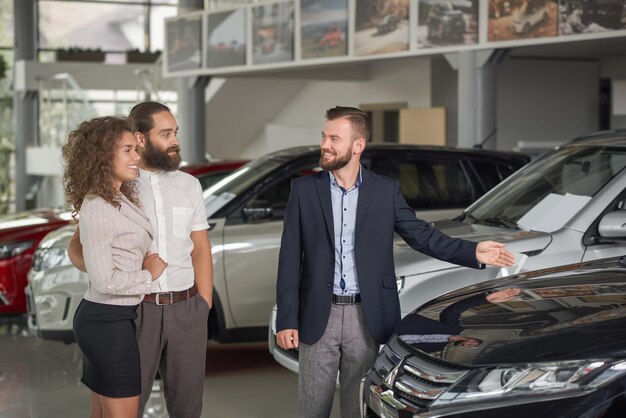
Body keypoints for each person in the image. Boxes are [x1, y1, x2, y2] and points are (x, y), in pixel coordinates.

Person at [275, 106, 516, 418]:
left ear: (357, 145)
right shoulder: (305, 190)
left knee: (357, 406)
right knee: (312, 409)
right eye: (324, 136)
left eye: (334, 138)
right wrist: (287, 318)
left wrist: (473, 252)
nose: (325, 144)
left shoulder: (384, 190)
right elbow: (290, 256)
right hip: (318, 313)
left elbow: (422, 236)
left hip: (368, 314)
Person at [68, 102, 213, 418]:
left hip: (187, 308)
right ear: (141, 138)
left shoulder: (190, 186)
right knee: (128, 403)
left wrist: (204, 303)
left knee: (188, 408)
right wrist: (111, 279)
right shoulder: (117, 186)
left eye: (175, 133)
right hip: (135, 309)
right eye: (166, 134)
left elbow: (201, 247)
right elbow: (77, 250)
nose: (174, 141)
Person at [63, 116, 167, 418]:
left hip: (114, 318)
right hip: (106, 322)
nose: (137, 156)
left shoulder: (119, 196)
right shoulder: (97, 206)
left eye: (136, 149)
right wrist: (149, 274)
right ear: (102, 155)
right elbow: (104, 281)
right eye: (127, 150)